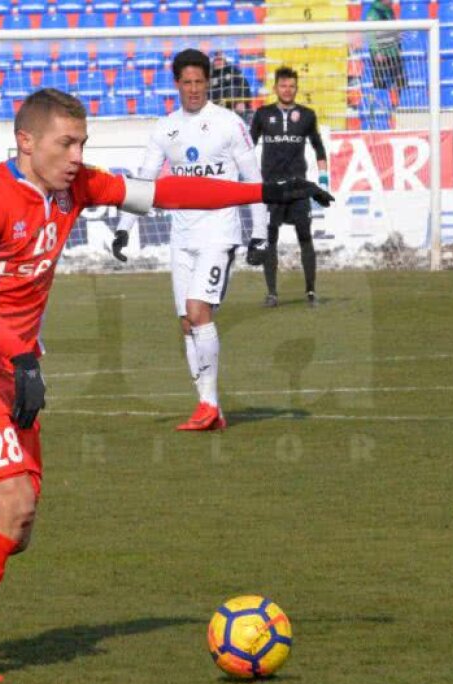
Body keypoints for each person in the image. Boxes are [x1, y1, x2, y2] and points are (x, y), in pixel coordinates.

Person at [0, 88, 331, 683]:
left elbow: (168, 193)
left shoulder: (76, 187)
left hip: (15, 366)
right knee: (9, 505)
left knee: (10, 530)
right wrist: (20, 354)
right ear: (26, 142)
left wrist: (266, 192)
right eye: (65, 143)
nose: (77, 156)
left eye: (82, 144)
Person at [111, 50, 319, 431]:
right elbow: (144, 180)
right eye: (186, 83)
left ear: (209, 82)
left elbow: (252, 178)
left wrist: (258, 235)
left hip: (219, 234)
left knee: (197, 310)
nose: (193, 89)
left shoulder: (228, 123)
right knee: (186, 323)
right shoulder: (165, 127)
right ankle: (211, 409)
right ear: (177, 84)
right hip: (181, 236)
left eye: (199, 82)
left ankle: (207, 406)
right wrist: (124, 226)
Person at [249, 66, 329, 307]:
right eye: (283, 86)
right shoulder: (262, 114)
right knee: (269, 239)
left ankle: (311, 292)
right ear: (275, 88)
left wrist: (323, 179)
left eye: (292, 86)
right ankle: (272, 293)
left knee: (305, 237)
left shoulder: (307, 115)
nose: (287, 90)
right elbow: (247, 147)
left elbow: (318, 147)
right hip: (271, 188)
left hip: (298, 188)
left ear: (296, 88)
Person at [365, 0, 405, 93]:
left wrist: (397, 39)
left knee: (400, 81)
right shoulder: (374, 12)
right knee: (379, 83)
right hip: (381, 54)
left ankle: (401, 104)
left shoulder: (389, 10)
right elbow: (370, 34)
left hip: (392, 52)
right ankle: (380, 105)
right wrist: (376, 52)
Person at [209, 51, 254, 125]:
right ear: (213, 61)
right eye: (216, 60)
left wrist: (242, 101)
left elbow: (244, 85)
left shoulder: (232, 70)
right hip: (217, 109)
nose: (219, 62)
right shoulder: (209, 75)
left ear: (225, 60)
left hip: (235, 106)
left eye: (221, 60)